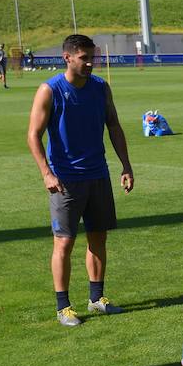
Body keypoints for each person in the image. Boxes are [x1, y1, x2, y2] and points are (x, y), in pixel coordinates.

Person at [25, 33, 135, 327]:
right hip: (65, 180)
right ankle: (64, 307)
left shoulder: (100, 88)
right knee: (64, 242)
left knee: (98, 238)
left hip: (98, 175)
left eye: (92, 57)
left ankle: (97, 299)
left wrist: (126, 165)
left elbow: (113, 125)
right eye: (84, 58)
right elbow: (33, 135)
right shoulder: (50, 90)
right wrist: (46, 173)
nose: (90, 63)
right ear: (68, 58)